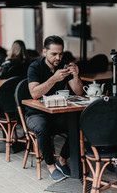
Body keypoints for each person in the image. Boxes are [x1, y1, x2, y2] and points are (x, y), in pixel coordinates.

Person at [25, 35, 83, 182]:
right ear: (44, 52)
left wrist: (76, 76)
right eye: (54, 54)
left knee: (78, 122)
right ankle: (51, 166)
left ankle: (62, 160)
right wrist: (54, 79)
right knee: (42, 126)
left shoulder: (64, 65)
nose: (58, 57)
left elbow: (78, 92)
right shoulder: (35, 67)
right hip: (35, 113)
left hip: (57, 113)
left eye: (61, 53)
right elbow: (34, 93)